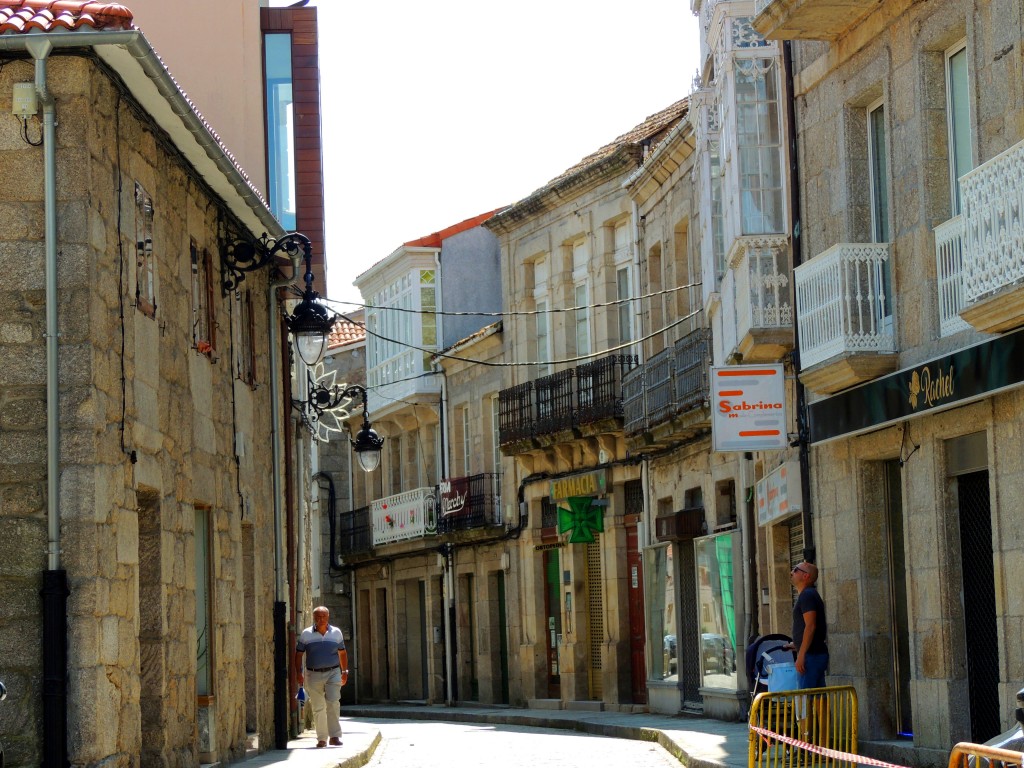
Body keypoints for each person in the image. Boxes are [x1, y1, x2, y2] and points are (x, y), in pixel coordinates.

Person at [294, 606, 349, 748]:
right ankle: (322, 739)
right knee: (318, 707)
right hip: (313, 674)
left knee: (333, 703)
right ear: (313, 618)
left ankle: (335, 736)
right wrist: (298, 673)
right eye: (318, 616)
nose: (321, 619)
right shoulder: (306, 634)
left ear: (328, 617)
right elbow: (299, 654)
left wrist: (345, 671)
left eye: (323, 616)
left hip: (333, 672)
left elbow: (342, 653)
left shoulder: (336, 633)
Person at [789, 561, 828, 689]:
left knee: (805, 700)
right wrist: (797, 643)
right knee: (818, 700)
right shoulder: (810, 594)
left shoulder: (807, 595)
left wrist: (801, 655)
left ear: (805, 576)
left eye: (795, 570)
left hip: (810, 656)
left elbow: (810, 626)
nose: (791, 573)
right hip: (814, 654)